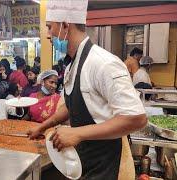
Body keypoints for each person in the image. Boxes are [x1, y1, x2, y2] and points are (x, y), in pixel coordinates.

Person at [27, 1, 147, 179]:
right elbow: (71, 105)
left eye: (49, 27)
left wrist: (77, 133)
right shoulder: (71, 65)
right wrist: (44, 126)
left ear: (65, 25)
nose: (47, 35)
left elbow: (137, 119)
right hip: (83, 160)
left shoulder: (103, 63)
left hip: (105, 165)